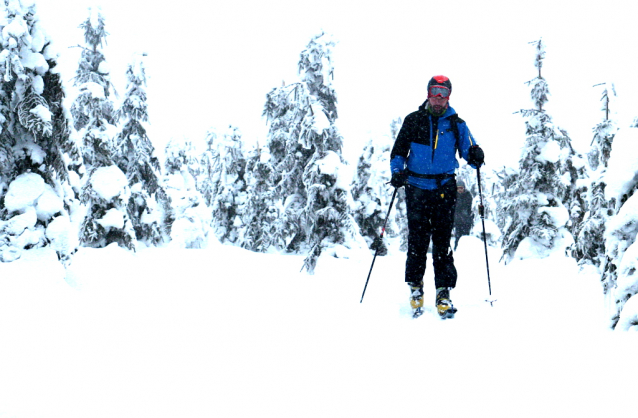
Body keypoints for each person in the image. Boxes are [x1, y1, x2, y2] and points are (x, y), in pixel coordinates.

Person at [389, 75, 484, 318]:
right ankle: (416, 288)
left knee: (442, 242)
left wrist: (475, 155)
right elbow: (398, 152)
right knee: (418, 241)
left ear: (449, 95)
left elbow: (468, 154)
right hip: (417, 188)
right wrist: (397, 172)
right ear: (428, 93)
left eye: (443, 92)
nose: (438, 97)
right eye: (435, 91)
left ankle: (443, 291)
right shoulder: (414, 120)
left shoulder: (456, 124)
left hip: (444, 188)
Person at [453, 180, 474, 251]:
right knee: (458, 237)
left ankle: (465, 250)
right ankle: (456, 250)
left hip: (466, 221)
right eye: (458, 188)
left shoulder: (468, 195)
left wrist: (469, 218)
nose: (460, 190)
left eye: (461, 188)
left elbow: (469, 208)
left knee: (465, 237)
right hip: (457, 221)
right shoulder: (454, 196)